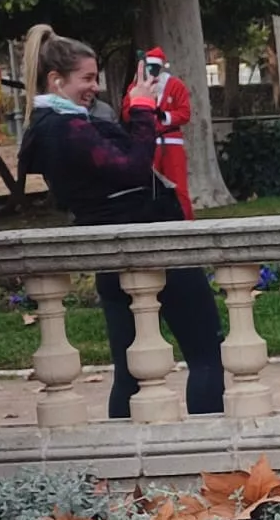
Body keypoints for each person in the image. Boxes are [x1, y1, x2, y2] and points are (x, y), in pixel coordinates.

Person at [14, 25, 225, 419]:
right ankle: (211, 458)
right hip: (154, 245)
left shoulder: (57, 125)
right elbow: (132, 168)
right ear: (56, 81)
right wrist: (144, 109)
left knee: (129, 371)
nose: (94, 87)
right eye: (87, 78)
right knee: (207, 354)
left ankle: (127, 470)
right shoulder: (65, 128)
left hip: (116, 253)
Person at [143, 45, 196, 219]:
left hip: (171, 140)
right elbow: (128, 110)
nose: (152, 72)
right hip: (149, 141)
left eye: (155, 68)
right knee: (148, 186)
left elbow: (185, 113)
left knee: (178, 185)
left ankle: (186, 222)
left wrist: (164, 115)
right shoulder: (140, 86)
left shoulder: (175, 85)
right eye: (149, 68)